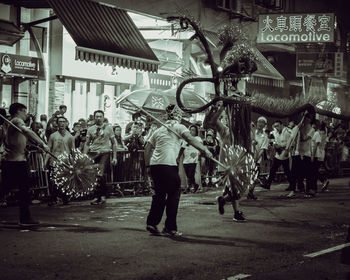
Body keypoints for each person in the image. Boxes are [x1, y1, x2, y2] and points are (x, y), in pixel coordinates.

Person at [144, 104, 212, 236]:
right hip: (168, 165)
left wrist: (147, 166)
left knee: (159, 194)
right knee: (174, 194)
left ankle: (152, 223)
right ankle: (170, 227)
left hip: (155, 165)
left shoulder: (159, 130)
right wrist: (204, 149)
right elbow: (190, 139)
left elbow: (147, 148)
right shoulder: (179, 127)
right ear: (178, 116)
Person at [1, 102, 49, 225]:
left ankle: (25, 217)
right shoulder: (16, 121)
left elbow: (18, 142)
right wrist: (42, 143)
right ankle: (25, 218)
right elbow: (28, 132)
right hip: (15, 163)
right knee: (17, 189)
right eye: (24, 111)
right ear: (18, 111)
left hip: (16, 161)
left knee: (15, 189)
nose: (26, 114)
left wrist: (28, 148)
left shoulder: (11, 122)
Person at [203, 104, 248, 222]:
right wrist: (223, 106)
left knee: (237, 191)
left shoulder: (245, 133)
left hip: (239, 166)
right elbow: (213, 121)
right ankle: (236, 212)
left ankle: (223, 200)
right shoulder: (225, 131)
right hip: (225, 165)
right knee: (234, 190)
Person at [84, 110, 117, 205]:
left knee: (100, 173)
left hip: (104, 153)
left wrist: (115, 157)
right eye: (96, 116)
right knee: (94, 174)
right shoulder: (90, 129)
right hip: (93, 153)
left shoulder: (109, 128)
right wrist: (84, 156)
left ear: (103, 117)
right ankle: (97, 196)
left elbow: (114, 143)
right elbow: (87, 143)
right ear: (94, 118)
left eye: (100, 116)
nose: (98, 118)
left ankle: (102, 195)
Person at [47, 116, 75, 205]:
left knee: (64, 181)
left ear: (66, 123)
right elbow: (48, 149)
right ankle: (53, 198)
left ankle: (65, 197)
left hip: (65, 162)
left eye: (63, 121)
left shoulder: (70, 137)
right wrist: (45, 161)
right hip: (54, 161)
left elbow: (72, 150)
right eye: (60, 122)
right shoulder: (53, 136)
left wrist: (73, 162)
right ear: (57, 124)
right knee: (53, 181)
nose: (62, 123)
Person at [261, 120, 292, 190]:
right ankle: (268, 184)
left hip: (284, 153)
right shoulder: (275, 132)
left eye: (277, 126)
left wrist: (281, 147)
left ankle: (292, 185)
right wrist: (275, 144)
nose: (276, 127)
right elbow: (272, 139)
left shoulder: (287, 132)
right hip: (278, 154)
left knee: (287, 171)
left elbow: (290, 143)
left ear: (281, 125)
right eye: (275, 126)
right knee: (273, 169)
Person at [249, 116, 269, 199]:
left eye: (262, 122)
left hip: (256, 158)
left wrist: (256, 159)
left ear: (265, 125)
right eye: (259, 122)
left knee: (254, 176)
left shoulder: (265, 137)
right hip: (247, 157)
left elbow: (263, 149)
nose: (260, 124)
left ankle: (250, 192)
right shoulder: (251, 132)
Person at [178, 124, 202, 193]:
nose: (191, 131)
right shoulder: (186, 139)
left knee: (191, 173)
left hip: (193, 158)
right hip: (186, 159)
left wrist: (198, 154)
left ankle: (188, 187)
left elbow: (200, 147)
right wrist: (178, 157)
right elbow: (182, 148)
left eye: (193, 130)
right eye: (190, 130)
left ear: (196, 131)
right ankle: (195, 185)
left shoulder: (198, 138)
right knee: (188, 173)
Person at [311, 122, 329, 192]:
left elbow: (316, 145)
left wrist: (312, 155)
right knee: (316, 170)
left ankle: (323, 181)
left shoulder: (317, 133)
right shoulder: (325, 133)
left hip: (317, 153)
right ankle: (323, 182)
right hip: (322, 153)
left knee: (314, 170)